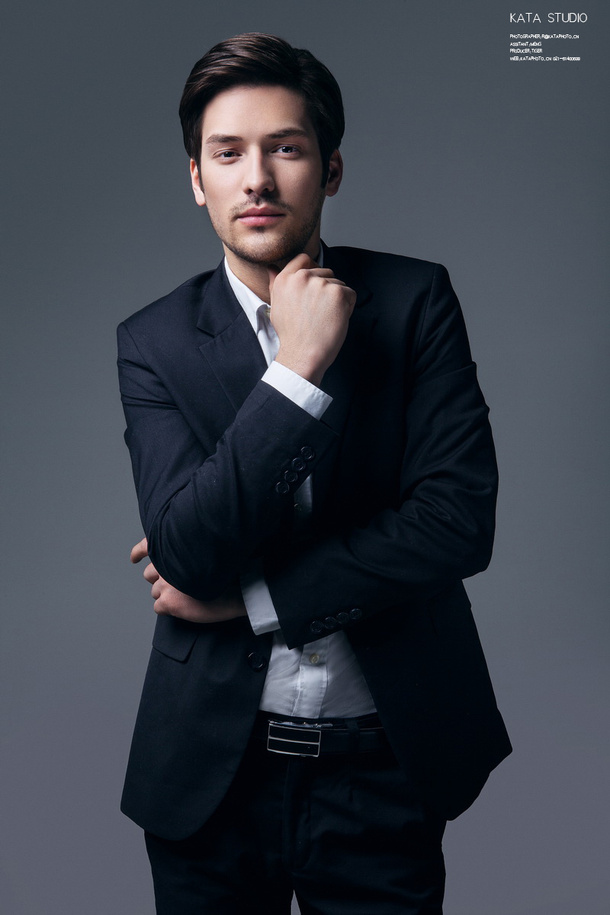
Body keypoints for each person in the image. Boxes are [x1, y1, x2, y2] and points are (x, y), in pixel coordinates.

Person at [117, 32, 511, 915]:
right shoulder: (152, 341)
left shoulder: (414, 302)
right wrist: (297, 369)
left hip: (385, 765)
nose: (256, 178)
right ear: (197, 179)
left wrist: (257, 601)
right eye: (228, 154)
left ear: (330, 170)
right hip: (210, 776)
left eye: (285, 149)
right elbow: (188, 553)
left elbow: (455, 523)